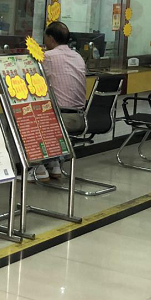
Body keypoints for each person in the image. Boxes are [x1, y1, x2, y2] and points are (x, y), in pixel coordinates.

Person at [37, 20, 86, 181]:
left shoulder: (48, 57)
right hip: (80, 117)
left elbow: (32, 76)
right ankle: (55, 165)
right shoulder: (78, 56)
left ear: (51, 38)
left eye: (45, 37)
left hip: (61, 118)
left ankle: (37, 168)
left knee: (24, 119)